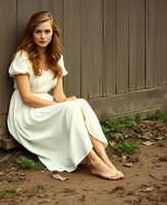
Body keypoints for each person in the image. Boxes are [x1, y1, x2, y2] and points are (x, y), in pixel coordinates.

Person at [7, 11, 124, 180]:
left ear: (53, 33)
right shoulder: (22, 57)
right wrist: (61, 106)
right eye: (38, 31)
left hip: (46, 105)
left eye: (47, 31)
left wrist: (67, 102)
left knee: (80, 103)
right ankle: (94, 162)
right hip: (26, 112)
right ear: (31, 33)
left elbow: (59, 95)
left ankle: (105, 160)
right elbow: (27, 97)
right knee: (70, 108)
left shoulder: (56, 57)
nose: (42, 36)